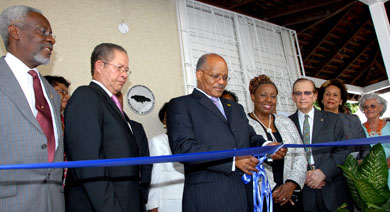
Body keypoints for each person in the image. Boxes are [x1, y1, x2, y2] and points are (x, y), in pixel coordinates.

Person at [167, 53, 286, 212]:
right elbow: (184, 148)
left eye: (225, 77)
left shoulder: (235, 108)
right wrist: (232, 160)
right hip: (208, 198)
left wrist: (267, 147)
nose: (221, 82)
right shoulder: (181, 105)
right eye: (216, 76)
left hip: (244, 197)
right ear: (199, 74)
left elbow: (250, 136)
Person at [64, 43, 152, 212]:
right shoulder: (86, 96)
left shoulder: (111, 105)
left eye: (127, 70)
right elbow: (89, 163)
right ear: (99, 66)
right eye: (119, 68)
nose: (125, 75)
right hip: (102, 205)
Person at [0, 5, 64, 212]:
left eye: (51, 34)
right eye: (42, 31)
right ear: (15, 31)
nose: (51, 40)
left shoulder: (51, 93)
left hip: (52, 203)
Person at [289, 78, 353, 212]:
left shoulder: (333, 119)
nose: (302, 97)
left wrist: (324, 172)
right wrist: (301, 176)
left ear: (315, 95)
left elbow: (344, 150)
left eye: (307, 93)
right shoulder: (286, 123)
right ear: (293, 97)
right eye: (298, 93)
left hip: (333, 189)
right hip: (303, 192)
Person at [247, 75, 306, 211]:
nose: (269, 100)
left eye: (273, 96)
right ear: (252, 96)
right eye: (263, 95)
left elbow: (301, 154)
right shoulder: (244, 123)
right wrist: (274, 191)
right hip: (263, 199)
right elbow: (246, 159)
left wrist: (291, 184)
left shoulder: (286, 122)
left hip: (292, 196)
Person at [317, 79, 369, 160]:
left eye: (335, 95)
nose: (331, 98)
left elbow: (365, 147)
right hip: (325, 170)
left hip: (353, 169)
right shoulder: (314, 121)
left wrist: (361, 162)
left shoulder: (353, 120)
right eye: (327, 94)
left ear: (341, 101)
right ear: (322, 100)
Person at [146, 103, 185, 212]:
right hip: (169, 203)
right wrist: (153, 205)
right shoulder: (157, 142)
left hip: (192, 198)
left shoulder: (189, 142)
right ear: (164, 121)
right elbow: (155, 175)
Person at [359, 93, 390, 187]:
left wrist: (382, 167)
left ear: (381, 108)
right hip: (367, 176)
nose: (369, 109)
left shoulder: (389, 126)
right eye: (366, 107)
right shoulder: (358, 128)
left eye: (373, 106)